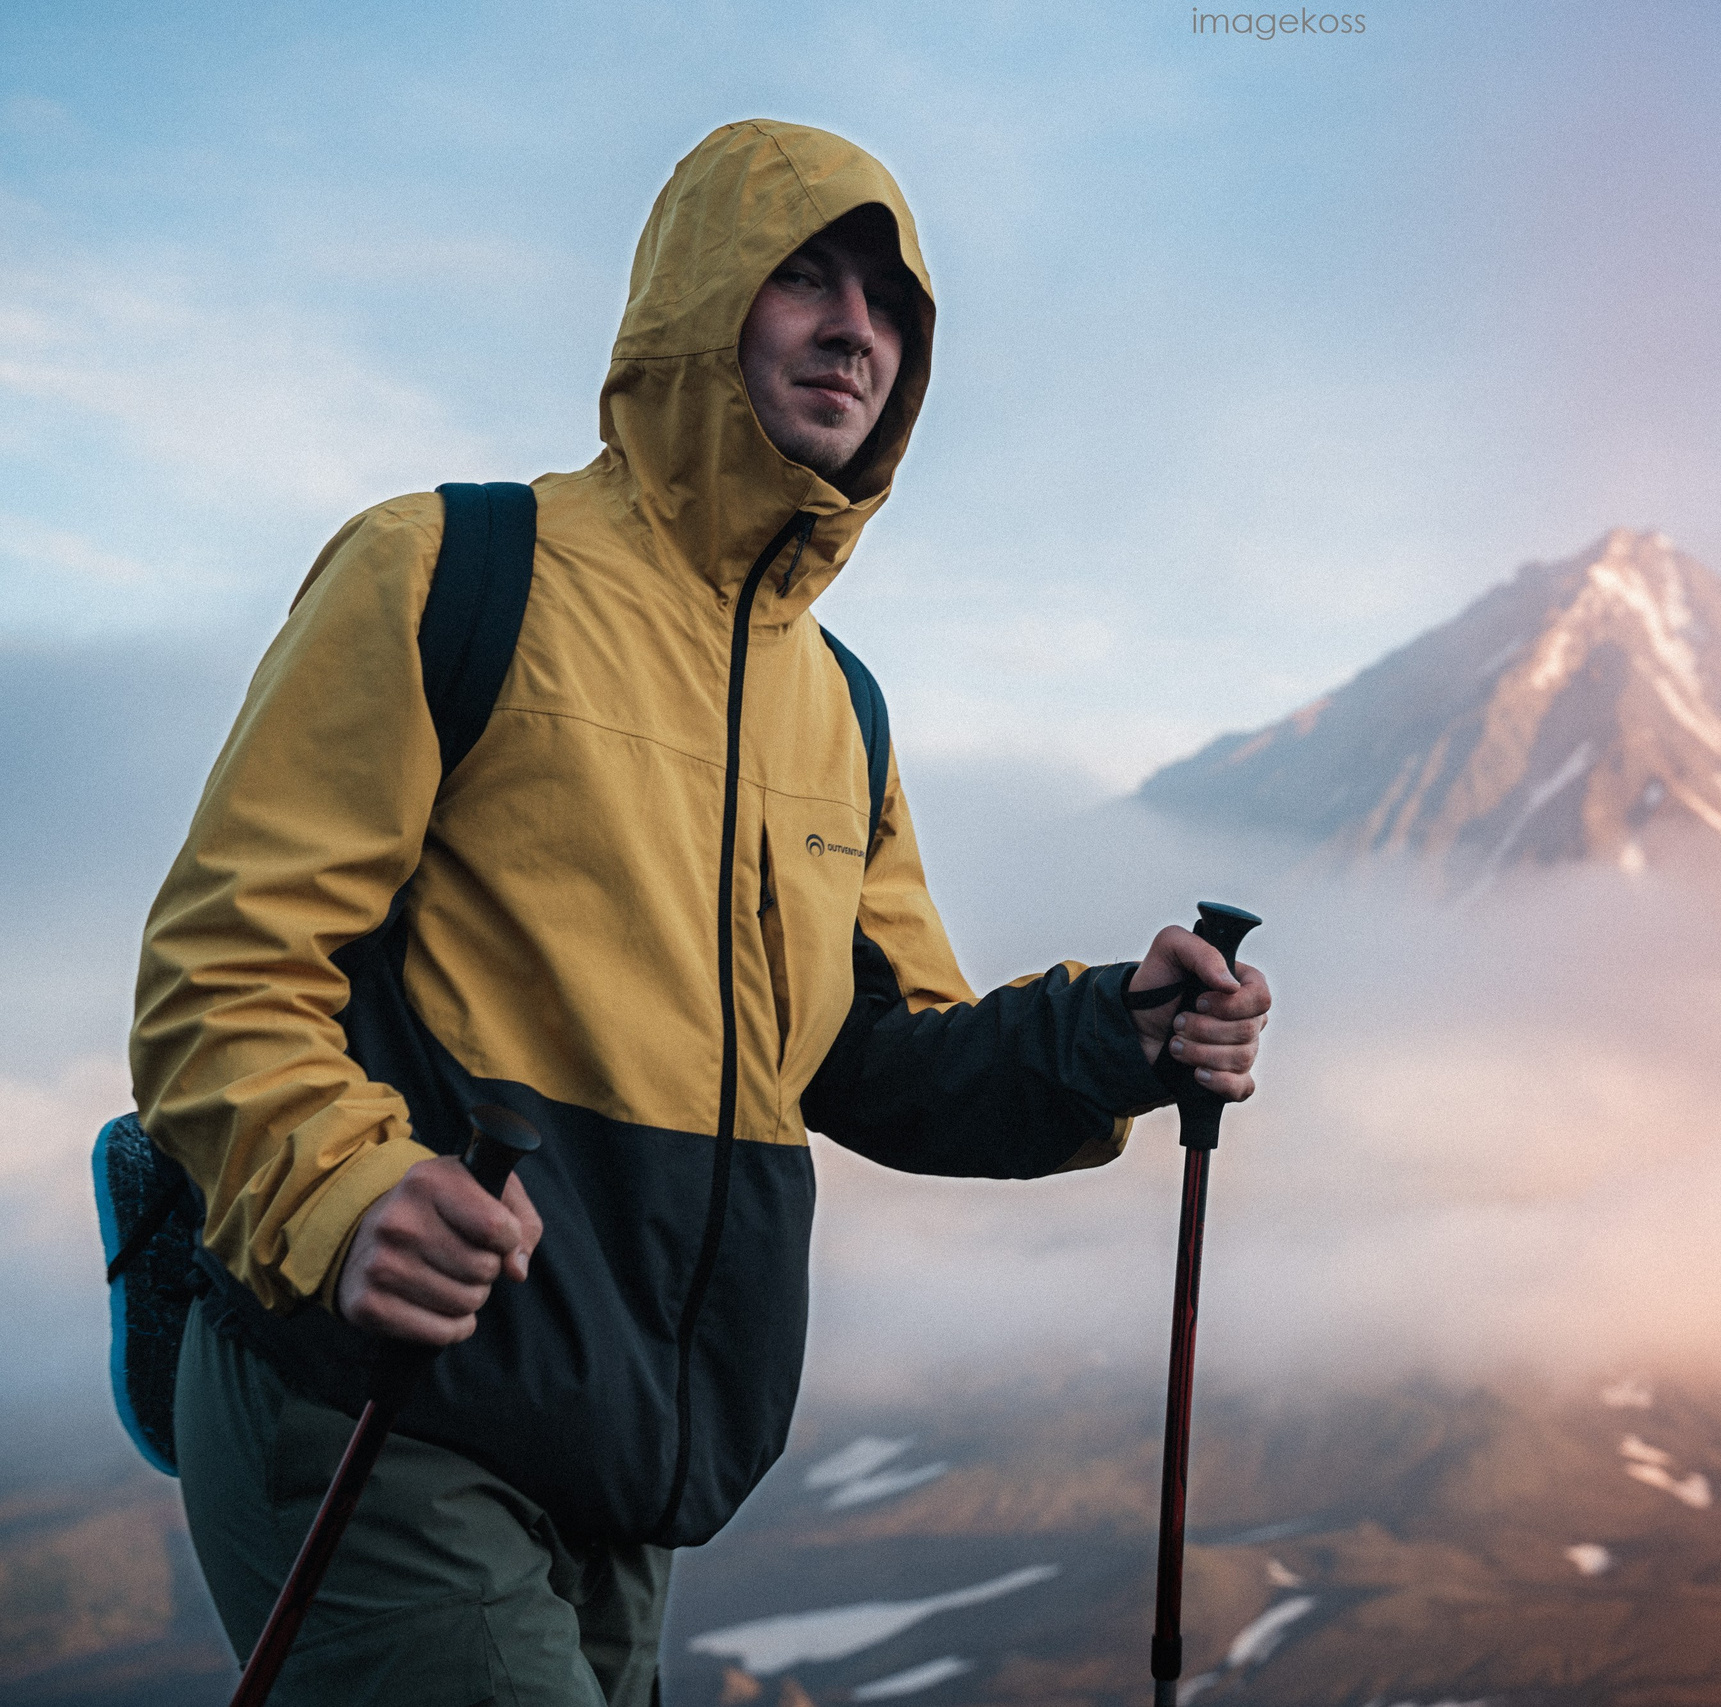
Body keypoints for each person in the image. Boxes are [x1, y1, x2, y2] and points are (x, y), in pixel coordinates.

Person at [129, 119, 1270, 1706]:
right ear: (691, 307)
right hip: (370, 1403)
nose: (853, 325)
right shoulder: (448, 572)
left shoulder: (840, 711)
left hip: (624, 1468)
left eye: (891, 300)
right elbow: (219, 974)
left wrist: (1116, 1036)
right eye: (803, 271)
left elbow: (876, 1052)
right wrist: (349, 1194)